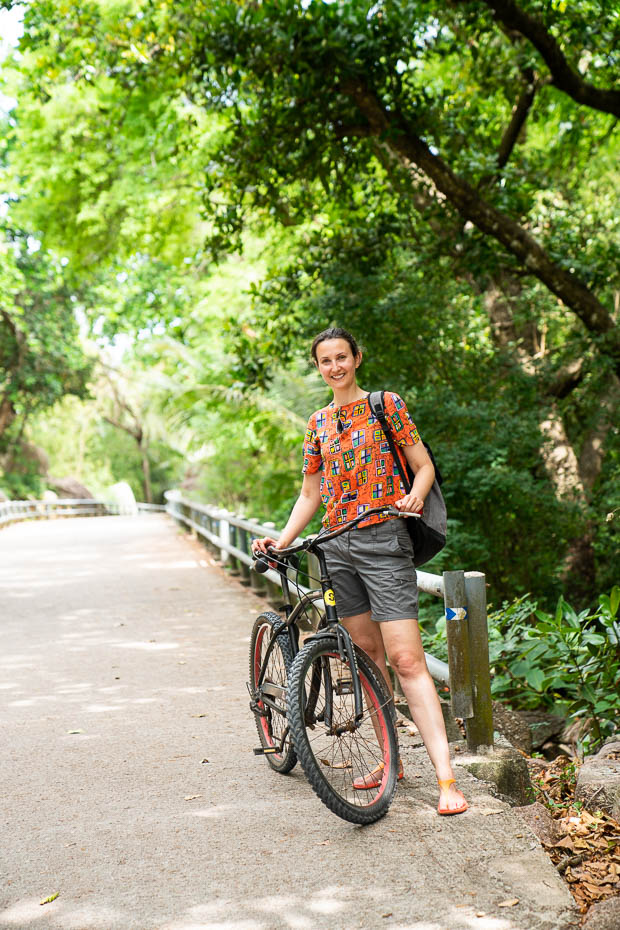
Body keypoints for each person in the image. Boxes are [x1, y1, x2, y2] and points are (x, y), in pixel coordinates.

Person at [252, 327, 467, 815]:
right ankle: (391, 760)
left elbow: (423, 466)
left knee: (406, 659)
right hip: (335, 547)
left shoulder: (385, 405)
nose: (335, 367)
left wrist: (414, 495)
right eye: (325, 361)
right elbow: (310, 493)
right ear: (318, 367)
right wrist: (281, 541)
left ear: (357, 358)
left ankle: (446, 779)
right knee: (367, 656)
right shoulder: (317, 423)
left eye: (341, 357)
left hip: (384, 539)